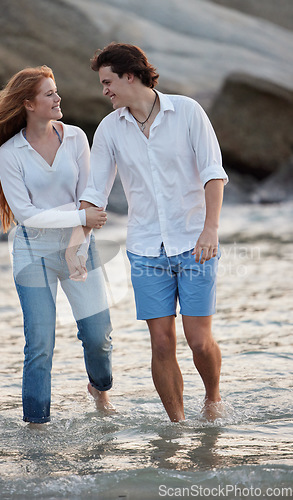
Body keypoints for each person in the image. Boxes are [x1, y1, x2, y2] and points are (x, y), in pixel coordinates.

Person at [72, 43, 228, 422]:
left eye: (108, 82)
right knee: (161, 342)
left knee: (199, 341)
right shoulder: (109, 129)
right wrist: (78, 241)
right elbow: (95, 192)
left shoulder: (187, 112)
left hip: (195, 243)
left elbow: (212, 173)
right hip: (145, 249)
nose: (104, 90)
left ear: (130, 76)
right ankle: (177, 426)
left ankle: (212, 398)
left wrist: (210, 230)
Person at [0, 65, 115, 426]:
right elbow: (28, 216)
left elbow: (87, 198)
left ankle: (100, 388)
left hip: (80, 246)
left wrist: (78, 241)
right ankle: (36, 425)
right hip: (33, 253)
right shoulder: (9, 153)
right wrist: (80, 218)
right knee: (40, 344)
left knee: (98, 337)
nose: (58, 98)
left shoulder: (76, 138)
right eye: (50, 93)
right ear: (29, 104)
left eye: (56, 91)